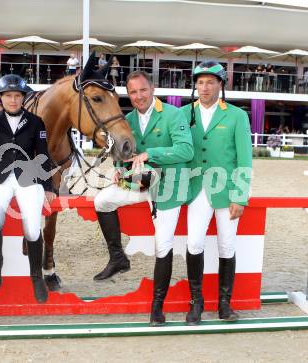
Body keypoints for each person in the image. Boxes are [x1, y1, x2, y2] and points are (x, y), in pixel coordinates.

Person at [93, 70, 194, 326]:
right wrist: (118, 168)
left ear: (153, 89)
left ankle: (157, 307)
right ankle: (117, 257)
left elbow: (186, 150)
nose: (138, 96)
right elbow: (122, 152)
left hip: (169, 186)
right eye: (133, 92)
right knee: (101, 201)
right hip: (140, 182)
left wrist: (150, 154)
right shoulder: (126, 119)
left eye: (143, 90)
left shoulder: (174, 113)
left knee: (163, 244)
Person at [181, 61, 252, 325]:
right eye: (200, 82)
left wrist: (240, 195)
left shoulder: (237, 115)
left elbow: (245, 158)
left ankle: (225, 303)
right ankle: (196, 302)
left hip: (228, 191)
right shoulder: (184, 114)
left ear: (221, 85)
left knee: (226, 245)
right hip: (196, 189)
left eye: (210, 82)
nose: (204, 87)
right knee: (194, 243)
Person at [0, 74, 56, 303]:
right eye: (8, 96)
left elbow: (42, 155)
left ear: (23, 98)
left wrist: (47, 185)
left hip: (27, 178)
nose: (13, 100)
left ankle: (36, 276)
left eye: (17, 96)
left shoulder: (36, 122)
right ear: (1, 98)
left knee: (31, 228)